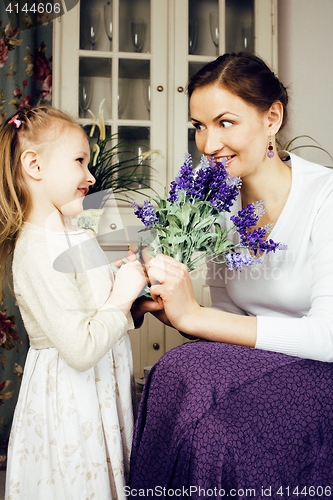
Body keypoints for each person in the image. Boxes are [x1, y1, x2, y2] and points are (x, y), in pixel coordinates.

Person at [129, 52, 333, 497]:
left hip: (323, 371)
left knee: (217, 437)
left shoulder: (326, 198)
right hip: (262, 365)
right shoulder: (219, 208)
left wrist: (197, 317)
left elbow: (328, 337)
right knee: (175, 370)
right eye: (199, 126)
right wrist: (174, 309)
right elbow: (225, 315)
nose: (207, 144)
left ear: (272, 117)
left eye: (225, 123)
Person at [1, 106, 147, 499]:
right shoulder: (37, 248)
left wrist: (136, 300)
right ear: (34, 164)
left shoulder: (73, 236)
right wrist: (121, 296)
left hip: (99, 392)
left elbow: (99, 311)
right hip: (72, 399)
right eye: (79, 161)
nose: (91, 176)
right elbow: (81, 348)